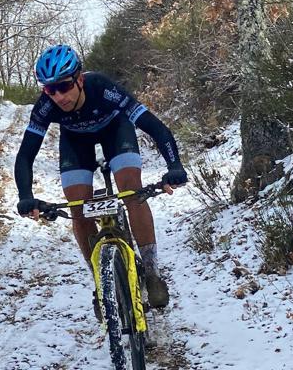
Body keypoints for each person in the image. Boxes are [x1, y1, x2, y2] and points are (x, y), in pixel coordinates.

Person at [14, 44, 187, 313]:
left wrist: (174, 165)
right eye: (49, 89)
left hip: (116, 132)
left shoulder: (103, 88)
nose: (58, 96)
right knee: (78, 208)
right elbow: (26, 155)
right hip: (75, 142)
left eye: (63, 86)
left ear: (79, 79)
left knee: (132, 192)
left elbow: (155, 127)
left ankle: (152, 273)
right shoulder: (46, 106)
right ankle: (101, 281)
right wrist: (25, 196)